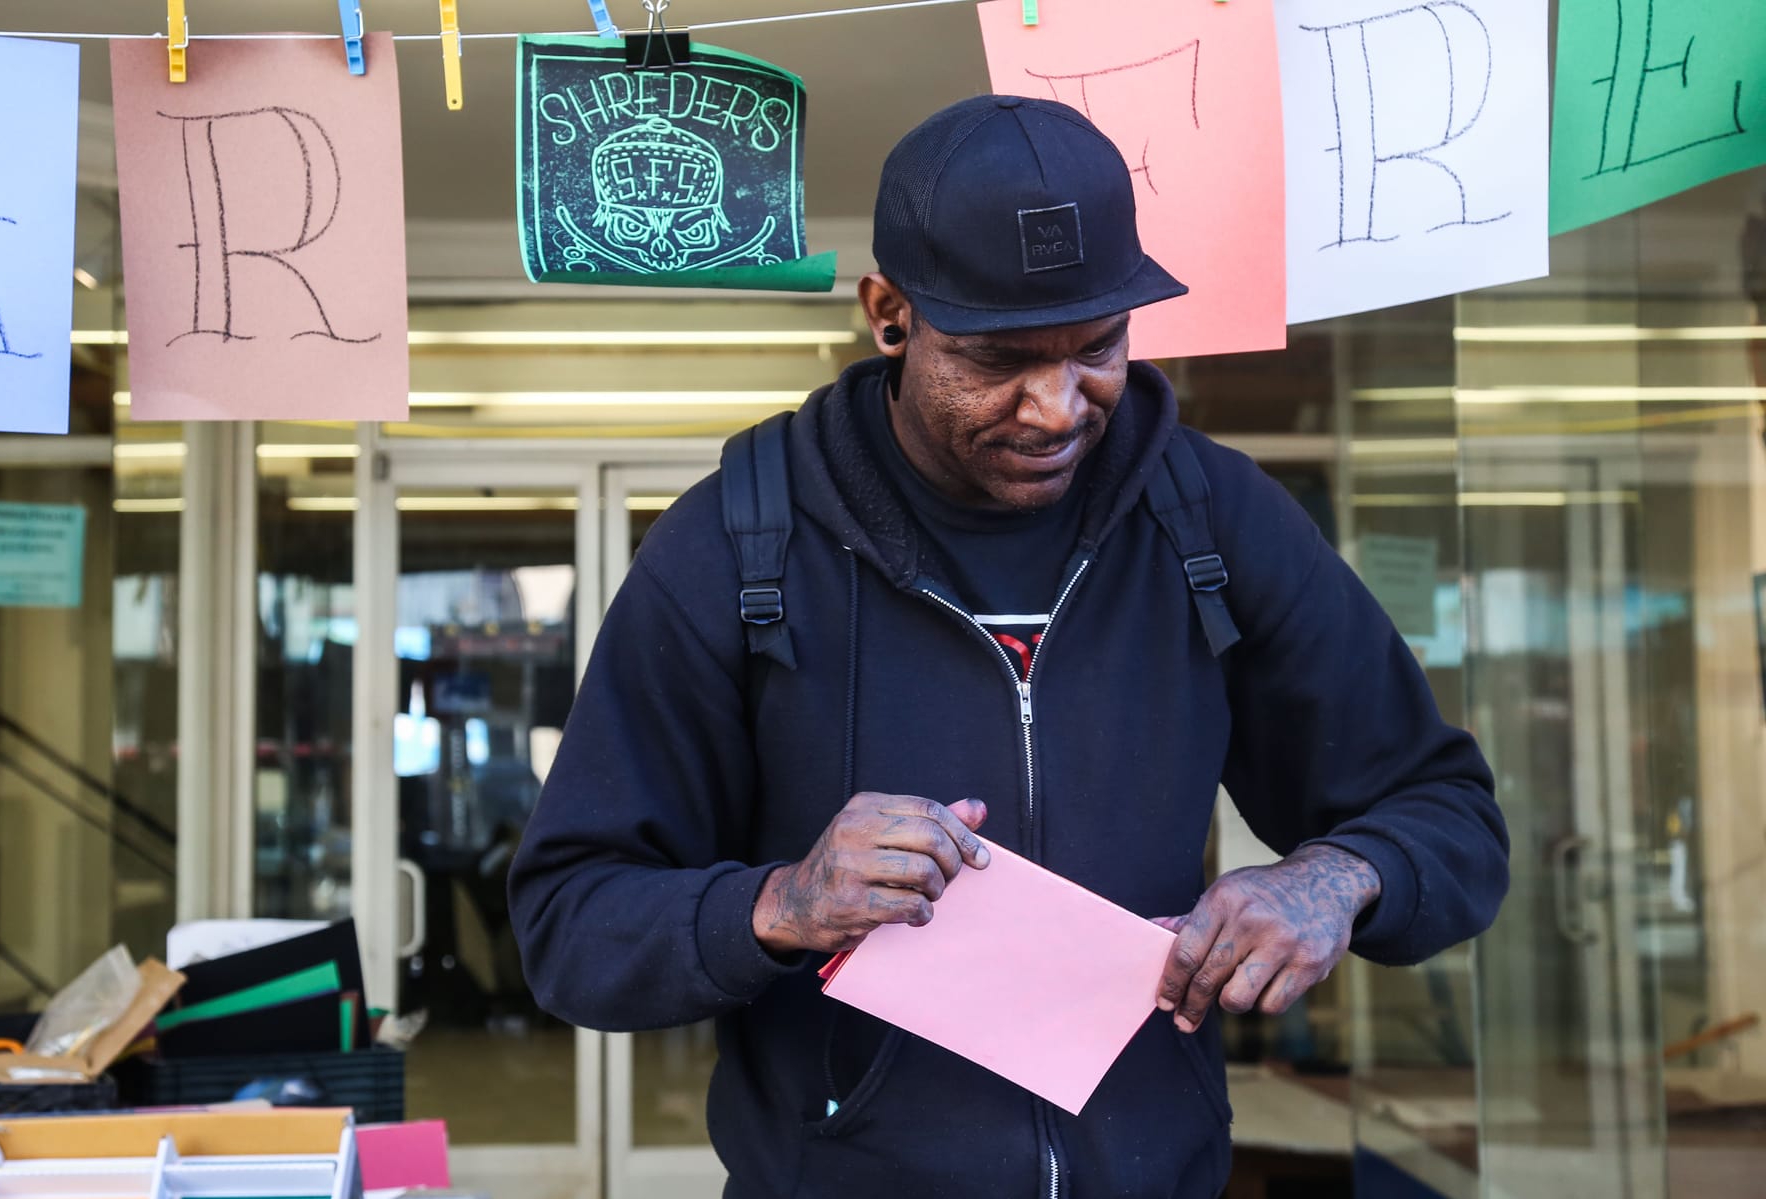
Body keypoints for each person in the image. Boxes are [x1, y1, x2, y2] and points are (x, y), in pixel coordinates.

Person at [508, 95, 1509, 1199]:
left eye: (1097, 349)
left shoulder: (1210, 521)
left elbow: (1446, 812)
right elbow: (568, 924)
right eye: (996, 360)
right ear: (889, 314)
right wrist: (780, 902)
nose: (1054, 408)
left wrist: (1339, 875)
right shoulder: (737, 543)